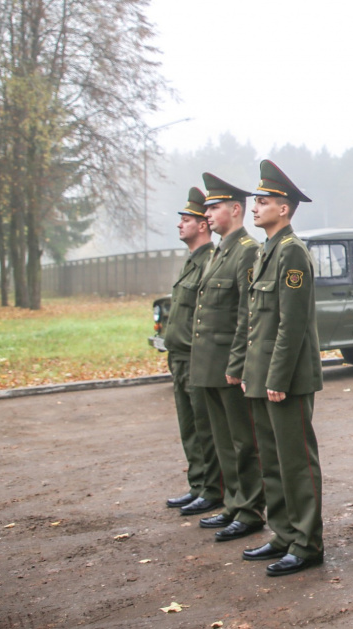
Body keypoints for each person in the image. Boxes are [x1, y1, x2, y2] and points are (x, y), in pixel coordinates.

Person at [238, 160, 324, 576]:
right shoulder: (266, 251)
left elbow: (292, 325)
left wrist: (276, 379)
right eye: (256, 200)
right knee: (271, 461)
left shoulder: (291, 253)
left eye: (264, 201)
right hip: (264, 376)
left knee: (295, 462)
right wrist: (251, 374)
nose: (255, 207)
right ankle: (284, 532)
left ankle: (307, 543)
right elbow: (259, 322)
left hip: (285, 379)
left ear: (284, 209)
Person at [188, 173, 266, 542]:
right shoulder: (220, 250)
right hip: (209, 364)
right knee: (222, 441)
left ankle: (249, 510)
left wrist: (237, 364)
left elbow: (245, 313)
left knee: (242, 442)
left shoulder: (247, 250)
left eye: (214, 207)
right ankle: (233, 504)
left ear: (235, 210)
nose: (208, 215)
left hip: (228, 366)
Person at [162, 187, 223, 516]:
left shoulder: (209, 262)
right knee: (190, 428)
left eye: (186, 220)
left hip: (197, 359)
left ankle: (213, 489)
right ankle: (198, 484)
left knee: (205, 429)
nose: (179, 225)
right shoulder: (192, 262)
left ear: (202, 225)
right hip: (180, 359)